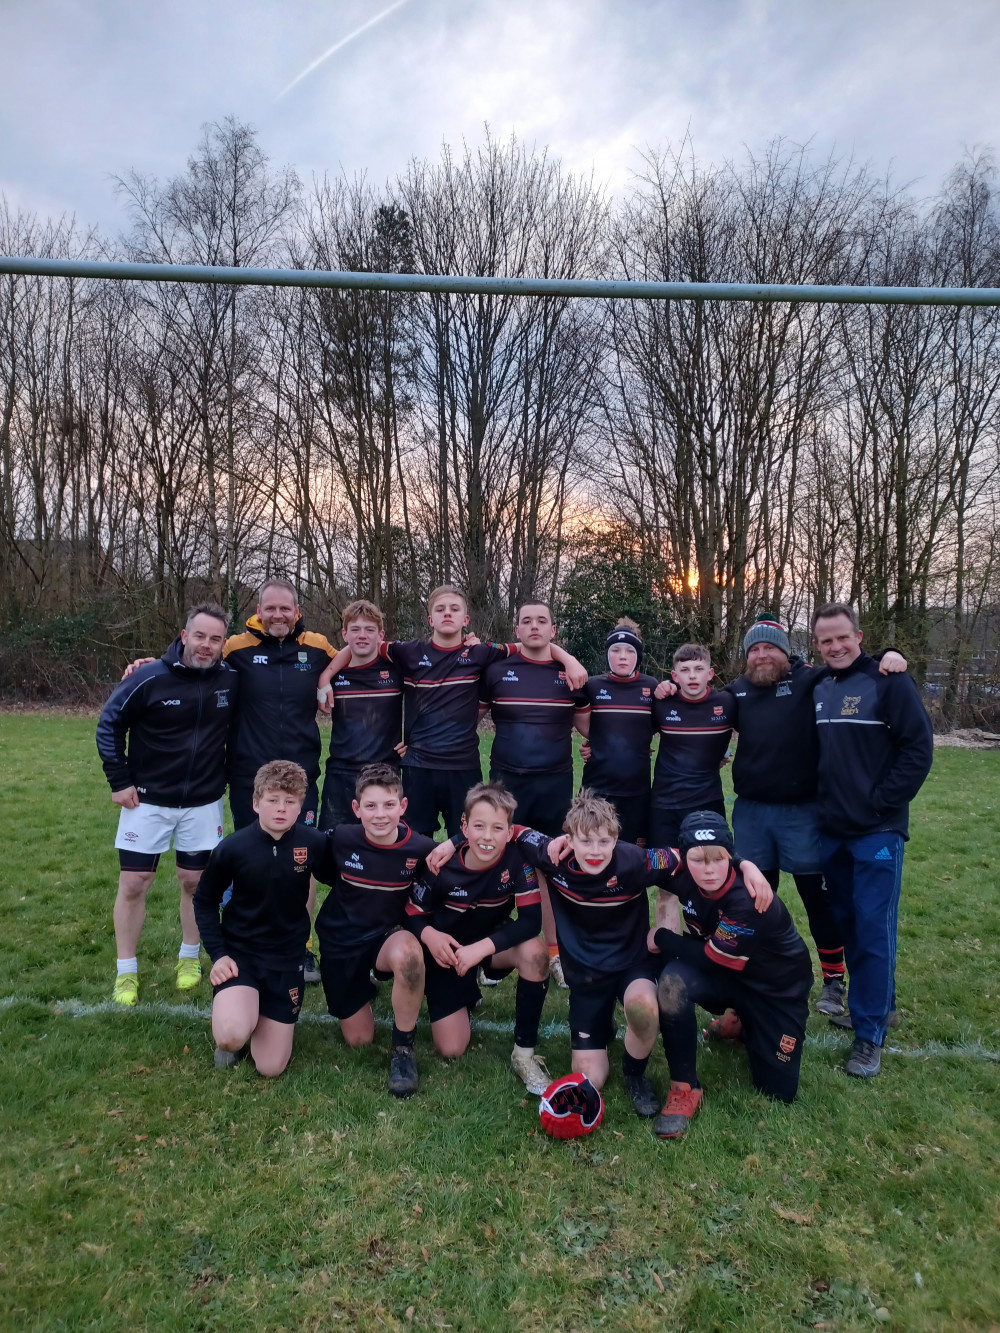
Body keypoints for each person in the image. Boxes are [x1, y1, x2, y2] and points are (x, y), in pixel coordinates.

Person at [509, 793, 773, 1117]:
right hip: (586, 975)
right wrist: (453, 843)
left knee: (644, 1008)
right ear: (568, 838)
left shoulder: (637, 860)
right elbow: (512, 830)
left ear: (616, 838)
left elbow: (689, 855)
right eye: (585, 841)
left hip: (631, 964)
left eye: (604, 841)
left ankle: (635, 1073)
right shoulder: (553, 856)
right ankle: (600, 1025)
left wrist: (745, 866)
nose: (595, 851)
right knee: (591, 1079)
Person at [317, 585, 586, 839]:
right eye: (440, 609)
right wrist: (326, 676)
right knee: (414, 840)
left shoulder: (481, 653)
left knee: (467, 839)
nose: (447, 613)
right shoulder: (408, 653)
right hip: (418, 766)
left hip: (463, 767)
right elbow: (361, 644)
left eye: (454, 609)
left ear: (465, 619)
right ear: (430, 619)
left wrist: (569, 659)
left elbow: (531, 644)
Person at [811, 603, 933, 1079]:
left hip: (877, 831)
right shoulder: (819, 687)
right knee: (849, 925)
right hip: (832, 831)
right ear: (817, 646)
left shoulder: (889, 680)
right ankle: (878, 1006)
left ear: (859, 636)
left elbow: (918, 748)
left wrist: (881, 803)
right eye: (826, 641)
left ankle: (868, 1037)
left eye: (843, 638)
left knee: (874, 925)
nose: (836, 647)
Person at [96, 604, 237, 1005]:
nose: (206, 645)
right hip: (147, 801)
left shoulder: (231, 678)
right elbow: (109, 724)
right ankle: (126, 972)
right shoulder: (149, 676)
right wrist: (119, 781)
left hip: (203, 802)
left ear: (223, 642)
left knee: (195, 883)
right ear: (183, 634)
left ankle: (189, 959)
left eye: (215, 639)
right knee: (134, 883)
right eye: (200, 636)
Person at [650, 811, 814, 1139]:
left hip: (774, 988)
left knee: (778, 1091)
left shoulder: (747, 898)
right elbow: (624, 858)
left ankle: (745, 1019)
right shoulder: (674, 865)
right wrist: (572, 842)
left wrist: (660, 938)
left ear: (729, 855)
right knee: (671, 984)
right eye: (698, 859)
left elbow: (712, 959)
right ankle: (684, 1088)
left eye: (719, 858)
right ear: (682, 856)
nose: (708, 869)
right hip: (727, 973)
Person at [405, 782, 551, 1091]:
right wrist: (431, 937)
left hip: (488, 944)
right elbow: (413, 912)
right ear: (464, 827)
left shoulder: (518, 859)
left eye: (498, 828)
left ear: (510, 831)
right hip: (448, 952)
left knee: (535, 952)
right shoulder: (440, 863)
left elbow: (530, 922)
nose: (487, 836)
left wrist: (480, 949)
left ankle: (524, 1054)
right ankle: (461, 990)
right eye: (479, 826)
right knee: (452, 1048)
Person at [192, 760, 330, 1076]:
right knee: (230, 1036)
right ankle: (236, 1023)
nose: (280, 809)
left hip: (286, 959)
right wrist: (219, 955)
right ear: (256, 803)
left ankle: (257, 1015)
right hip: (241, 955)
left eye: (290, 801)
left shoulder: (314, 843)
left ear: (300, 807)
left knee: (270, 1067)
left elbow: (342, 879)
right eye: (272, 800)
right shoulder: (232, 848)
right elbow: (204, 901)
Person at [480, 601, 590, 981]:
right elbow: (463, 717)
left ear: (553, 630)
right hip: (506, 785)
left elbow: (592, 727)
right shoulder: (496, 670)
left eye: (542, 620)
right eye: (526, 621)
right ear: (517, 629)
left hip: (553, 784)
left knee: (549, 866)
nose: (534, 626)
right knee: (498, 863)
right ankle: (496, 953)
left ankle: (556, 954)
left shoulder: (571, 675)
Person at [314, 763, 437, 1097]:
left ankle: (403, 1050)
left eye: (388, 805)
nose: (380, 814)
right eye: (370, 806)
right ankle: (360, 984)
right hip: (341, 940)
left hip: (387, 936)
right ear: (356, 809)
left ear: (403, 806)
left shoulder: (421, 849)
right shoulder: (340, 839)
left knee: (410, 957)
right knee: (359, 1040)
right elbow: (320, 871)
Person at [222, 579, 336, 831]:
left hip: (300, 775)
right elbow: (196, 659)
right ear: (259, 611)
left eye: (285, 609)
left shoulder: (317, 646)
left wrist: (326, 676)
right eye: (270, 609)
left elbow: (358, 660)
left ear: (297, 611)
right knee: (251, 857)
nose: (278, 615)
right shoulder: (234, 648)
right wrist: (151, 664)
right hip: (249, 777)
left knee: (300, 858)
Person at [317, 599, 404, 830]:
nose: (362, 635)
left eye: (369, 630)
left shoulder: (397, 669)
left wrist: (415, 740)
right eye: (355, 630)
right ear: (345, 634)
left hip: (385, 773)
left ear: (381, 635)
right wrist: (325, 677)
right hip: (341, 773)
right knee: (333, 844)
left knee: (382, 847)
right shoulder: (333, 674)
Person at [577, 619, 659, 847]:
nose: (622, 656)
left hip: (637, 791)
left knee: (633, 859)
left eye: (629, 651)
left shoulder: (652, 687)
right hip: (596, 789)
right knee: (592, 851)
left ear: (638, 657)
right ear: (607, 655)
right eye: (615, 650)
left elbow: (666, 723)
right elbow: (579, 720)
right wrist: (590, 742)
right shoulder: (591, 686)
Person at [649, 645, 735, 848]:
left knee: (709, 867)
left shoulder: (728, 703)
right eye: (685, 670)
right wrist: (592, 745)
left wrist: (724, 751)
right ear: (675, 676)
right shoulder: (662, 703)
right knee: (665, 869)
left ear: (710, 674)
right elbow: (632, 734)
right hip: (665, 804)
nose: (692, 676)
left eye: (699, 669)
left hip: (708, 802)